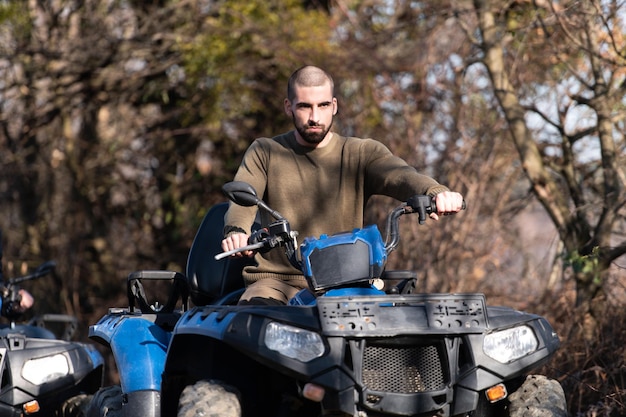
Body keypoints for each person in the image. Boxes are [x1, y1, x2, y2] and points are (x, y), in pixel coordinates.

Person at [221, 65, 464, 305]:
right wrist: (237, 233)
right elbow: (242, 200)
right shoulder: (265, 151)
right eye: (305, 106)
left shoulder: (359, 152)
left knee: (390, 322)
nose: (315, 117)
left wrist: (436, 193)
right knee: (254, 317)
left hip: (346, 281)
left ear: (334, 106)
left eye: (323, 105)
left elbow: (400, 175)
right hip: (278, 281)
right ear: (289, 107)